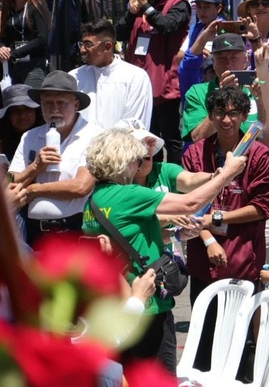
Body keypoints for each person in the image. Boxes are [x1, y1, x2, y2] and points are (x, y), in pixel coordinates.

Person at [82, 127, 247, 370]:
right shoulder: (127, 194)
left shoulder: (94, 199)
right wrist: (228, 174)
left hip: (115, 304)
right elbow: (189, 203)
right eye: (136, 161)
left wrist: (174, 234)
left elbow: (127, 237)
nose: (138, 167)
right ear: (123, 161)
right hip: (147, 306)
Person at [182, 86, 269, 370]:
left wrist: (218, 219)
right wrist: (209, 238)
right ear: (210, 116)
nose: (226, 120)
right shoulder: (196, 154)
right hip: (203, 259)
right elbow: (188, 206)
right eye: (220, 113)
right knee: (203, 336)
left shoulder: (260, 155)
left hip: (243, 259)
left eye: (233, 113)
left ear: (244, 116)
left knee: (242, 338)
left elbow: (261, 208)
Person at [7, 71, 100, 245]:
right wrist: (36, 166)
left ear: (76, 104)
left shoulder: (93, 135)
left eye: (61, 103)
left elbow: (81, 186)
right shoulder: (30, 136)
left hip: (74, 229)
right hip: (34, 232)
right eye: (48, 103)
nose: (54, 109)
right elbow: (11, 181)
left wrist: (33, 190)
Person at [116, 0, 191, 164]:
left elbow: (167, 26)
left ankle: (175, 180)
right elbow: (119, 33)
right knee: (145, 137)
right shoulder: (137, 5)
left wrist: (146, 6)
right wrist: (132, 12)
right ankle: (151, 179)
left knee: (170, 139)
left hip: (164, 85)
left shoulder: (179, 4)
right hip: (138, 83)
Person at [71, 18, 154, 131]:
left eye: (88, 44)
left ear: (107, 47)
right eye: (82, 43)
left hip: (120, 147)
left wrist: (105, 145)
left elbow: (134, 124)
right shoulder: (74, 77)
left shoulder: (135, 77)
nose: (82, 50)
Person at [0, 0, 50, 88]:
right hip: (13, 68)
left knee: (30, 105)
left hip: (34, 67)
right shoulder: (8, 8)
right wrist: (1, 48)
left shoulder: (37, 4)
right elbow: (3, 37)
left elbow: (42, 39)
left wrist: (15, 53)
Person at [0, 83, 40, 161]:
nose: (22, 116)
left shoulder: (47, 136)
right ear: (8, 115)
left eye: (27, 109)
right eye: (15, 110)